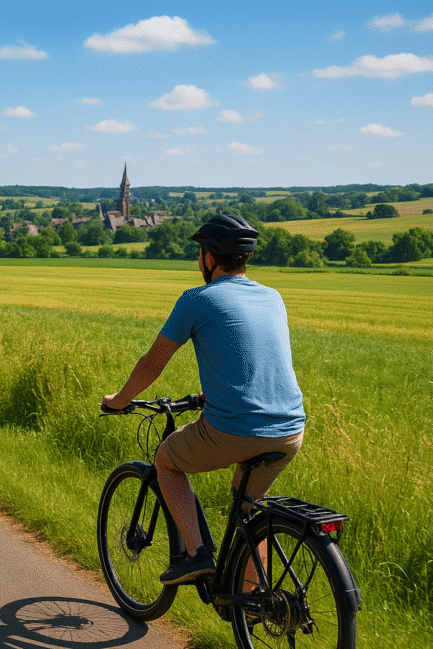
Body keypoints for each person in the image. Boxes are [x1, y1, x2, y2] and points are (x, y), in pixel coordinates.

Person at [103, 214, 305, 585]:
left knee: (166, 461)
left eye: (200, 254)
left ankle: (196, 555)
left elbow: (151, 365)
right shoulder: (273, 297)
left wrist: (119, 399)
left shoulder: (197, 300)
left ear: (209, 259)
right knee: (248, 510)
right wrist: (209, 394)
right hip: (290, 429)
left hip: (236, 429)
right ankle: (255, 604)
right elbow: (253, 360)